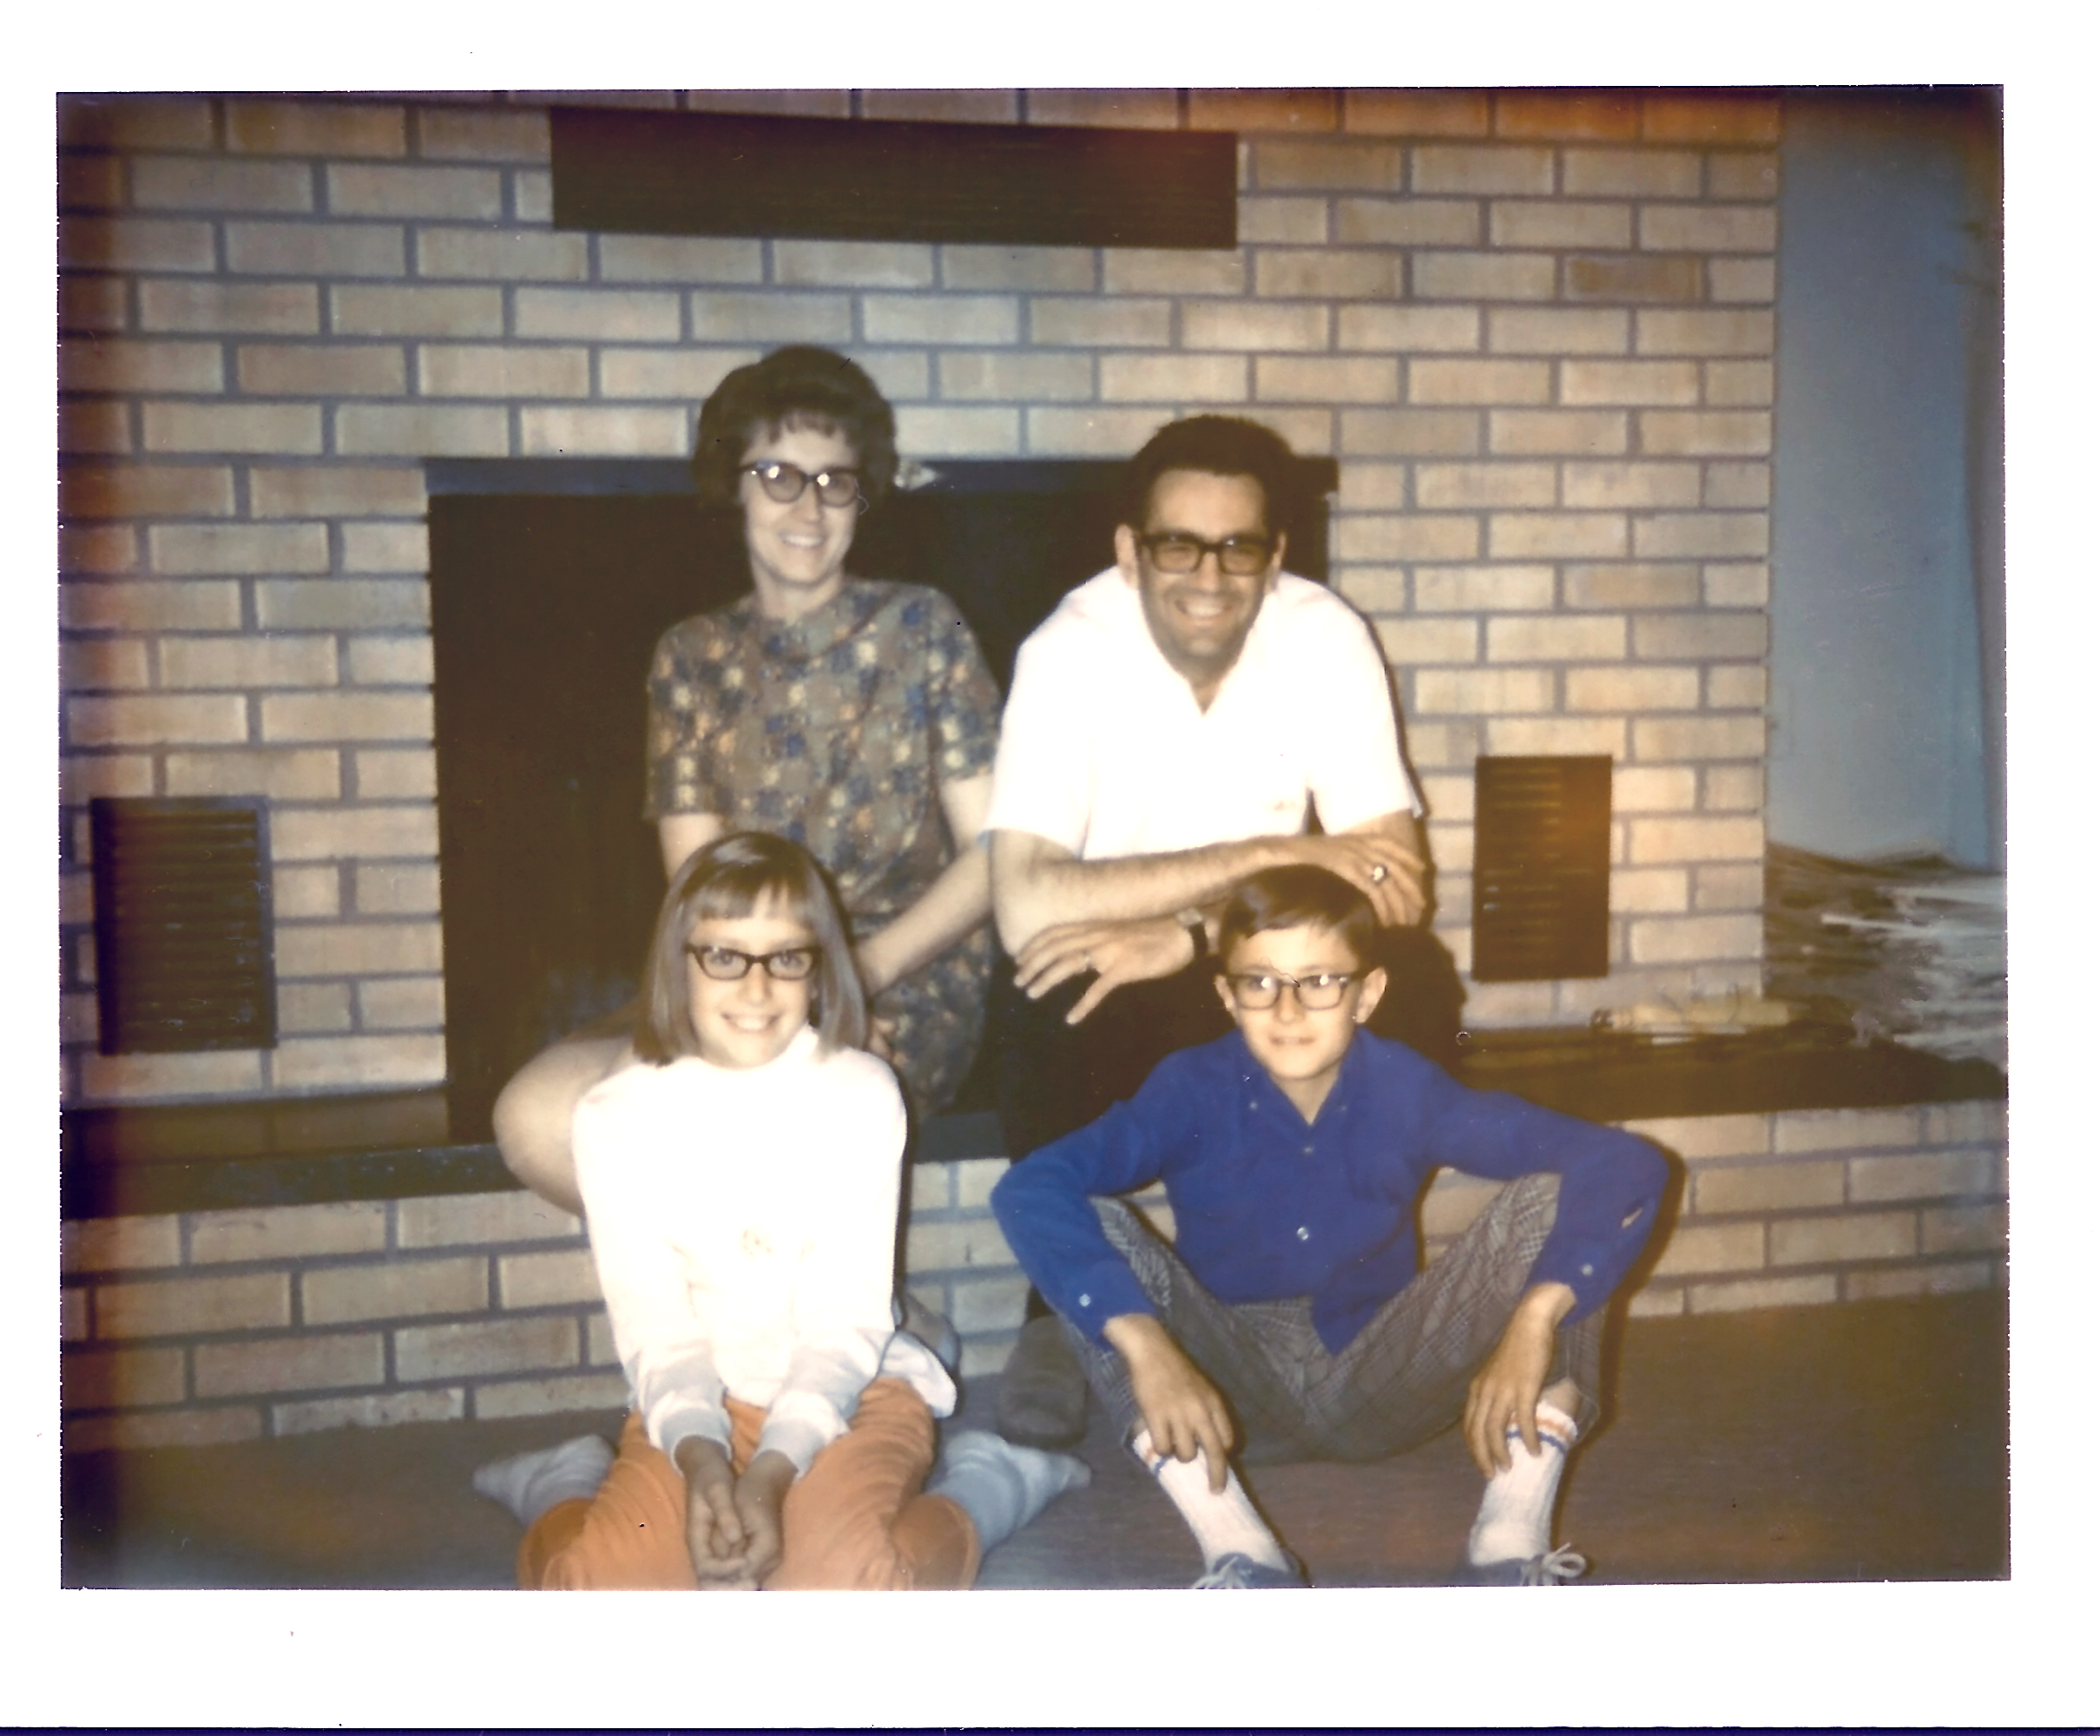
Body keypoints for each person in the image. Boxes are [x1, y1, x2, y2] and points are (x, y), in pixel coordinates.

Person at [992, 865, 1670, 1587]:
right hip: (1231, 1392)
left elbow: (1624, 1162)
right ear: (1226, 995)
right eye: (1259, 983)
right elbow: (1031, 1185)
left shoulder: (1406, 1086)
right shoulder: (1187, 1088)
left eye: (1320, 982)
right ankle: (1243, 1555)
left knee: (1559, 1202)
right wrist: (1144, 1341)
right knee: (1091, 1228)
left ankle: (1508, 1538)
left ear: (1366, 994)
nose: (1288, 1011)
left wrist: (1536, 1316)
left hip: (1383, 1374)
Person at [984, 413, 1434, 1446]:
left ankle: (1331, 1291)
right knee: (1048, 982)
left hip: (1241, 952)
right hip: (1127, 960)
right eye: (1178, 544)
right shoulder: (1066, 653)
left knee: (1417, 983)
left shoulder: (1322, 633)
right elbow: (1026, 902)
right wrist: (1263, 859)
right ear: (1129, 552)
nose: (1208, 575)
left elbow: (1396, 884)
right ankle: (1061, 1306)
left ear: (1274, 559)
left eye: (1238, 547)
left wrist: (1187, 934)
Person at [472, 833, 1086, 1590]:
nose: (757, 990)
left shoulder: (859, 1091)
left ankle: (990, 1487)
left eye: (786, 958)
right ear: (678, 961)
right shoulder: (614, 1116)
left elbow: (843, 1323)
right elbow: (657, 1331)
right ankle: (559, 1486)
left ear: (819, 967)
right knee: (602, 1589)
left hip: (854, 1393)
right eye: (725, 956)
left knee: (844, 1590)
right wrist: (702, 1461)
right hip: (698, 1404)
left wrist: (768, 1474)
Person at [492, 345, 1000, 1228]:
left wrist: (851, 982)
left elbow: (997, 853)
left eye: (836, 481)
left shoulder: (923, 624)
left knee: (761, 1131)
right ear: (733, 486)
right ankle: (828, 1314)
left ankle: (836, 1328)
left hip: (901, 980)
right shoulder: (690, 654)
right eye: (778, 475)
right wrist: (772, 991)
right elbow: (702, 886)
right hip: (743, 978)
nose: (809, 506)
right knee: (535, 1119)